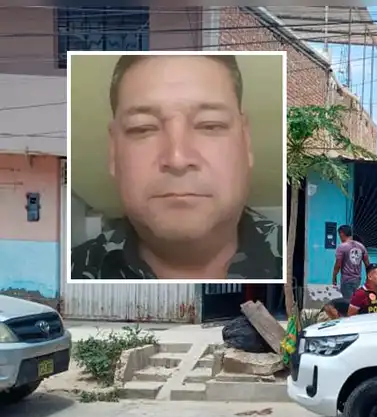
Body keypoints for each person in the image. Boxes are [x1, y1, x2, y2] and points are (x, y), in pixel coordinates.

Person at [70, 54, 280, 280]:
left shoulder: (292, 259)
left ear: (245, 141)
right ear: (113, 151)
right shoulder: (74, 269)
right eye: (142, 128)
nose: (177, 159)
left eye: (209, 125)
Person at [333, 224, 370, 299]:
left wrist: (334, 277)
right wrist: (368, 277)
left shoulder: (342, 247)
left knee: (348, 303)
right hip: (357, 280)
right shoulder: (361, 246)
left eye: (339, 234)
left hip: (346, 280)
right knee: (355, 301)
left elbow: (338, 265)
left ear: (342, 234)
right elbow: (367, 264)